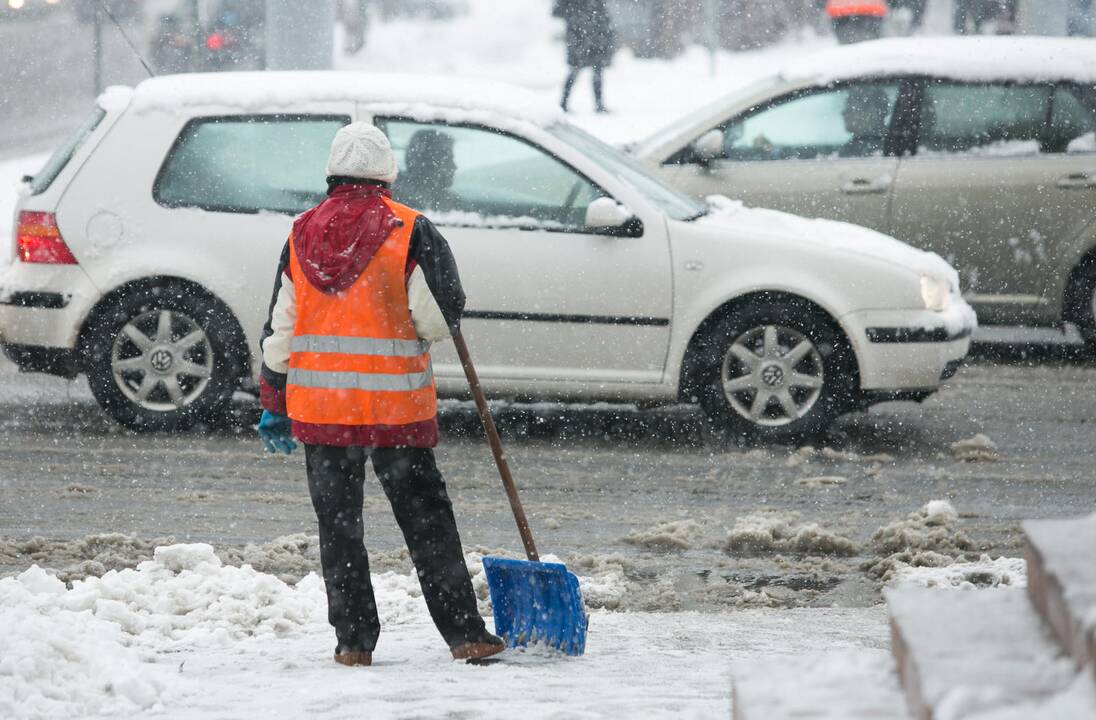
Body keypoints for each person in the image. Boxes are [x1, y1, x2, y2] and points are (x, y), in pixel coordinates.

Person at [256, 122, 504, 667]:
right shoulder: (411, 230)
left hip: (322, 413)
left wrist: (274, 397)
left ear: (331, 173)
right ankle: (465, 634)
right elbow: (438, 320)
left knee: (339, 530)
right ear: (388, 175)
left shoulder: (300, 232)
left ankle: (353, 643)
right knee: (426, 521)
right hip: (395, 411)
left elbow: (282, 327)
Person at [553, 0, 615, 113]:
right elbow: (558, 11)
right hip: (580, 36)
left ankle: (598, 104)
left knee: (595, 70)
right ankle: (564, 103)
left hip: (593, 36)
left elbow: (603, 13)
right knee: (577, 71)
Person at [391, 129, 459, 212]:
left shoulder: (448, 200)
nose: (454, 167)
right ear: (429, 164)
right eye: (448, 160)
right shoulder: (397, 200)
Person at [840, 85, 892, 157]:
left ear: (871, 112)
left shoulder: (883, 149)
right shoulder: (892, 142)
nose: (843, 113)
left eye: (850, 108)